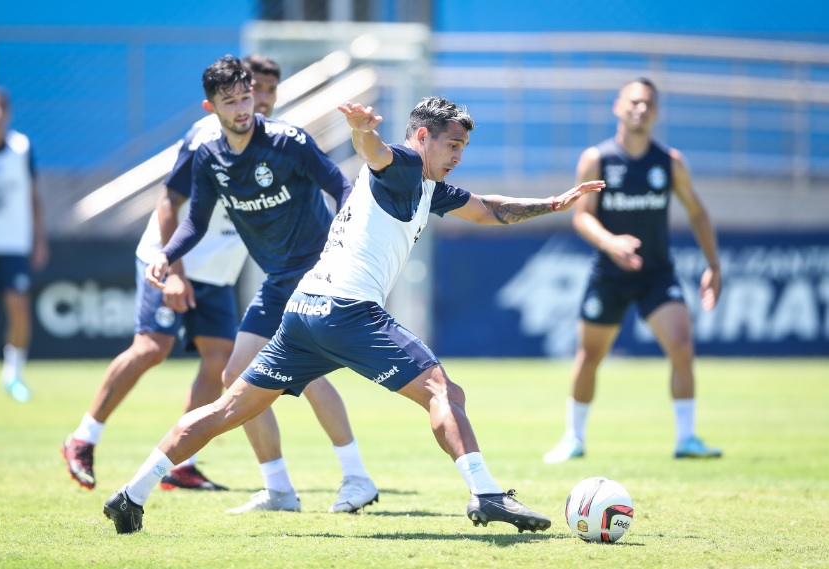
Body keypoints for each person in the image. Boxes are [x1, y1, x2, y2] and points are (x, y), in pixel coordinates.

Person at [101, 86, 604, 534]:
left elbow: (490, 209)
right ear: (423, 136)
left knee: (227, 410)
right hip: (346, 309)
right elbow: (378, 154)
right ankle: (487, 494)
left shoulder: (428, 185)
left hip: (302, 310)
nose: (458, 156)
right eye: (453, 145)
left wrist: (552, 203)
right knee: (442, 390)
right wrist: (362, 131)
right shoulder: (405, 165)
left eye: (464, 148)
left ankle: (132, 494)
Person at [64, 55, 378, 514]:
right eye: (230, 101)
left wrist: (344, 241)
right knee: (235, 375)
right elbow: (193, 218)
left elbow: (343, 186)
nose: (243, 107)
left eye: (247, 96)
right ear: (211, 108)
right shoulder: (209, 153)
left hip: (314, 272)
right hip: (278, 279)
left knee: (304, 378)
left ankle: (356, 477)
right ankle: (280, 490)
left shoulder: (289, 141)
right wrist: (167, 256)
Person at [542, 77, 723, 464]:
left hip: (657, 274)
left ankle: (687, 438)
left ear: (656, 112)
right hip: (609, 275)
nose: (640, 109)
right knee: (589, 355)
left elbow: (697, 212)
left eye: (648, 104)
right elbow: (582, 218)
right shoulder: (597, 159)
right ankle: (573, 438)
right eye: (634, 102)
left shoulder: (669, 162)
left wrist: (713, 265)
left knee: (682, 346)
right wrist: (612, 243)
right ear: (618, 106)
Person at [0, 86, 49, 403]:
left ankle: (13, 374)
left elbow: (33, 195)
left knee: (19, 308)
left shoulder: (22, 147)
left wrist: (39, 238)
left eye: (0, 108)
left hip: (13, 242)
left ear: (7, 114)